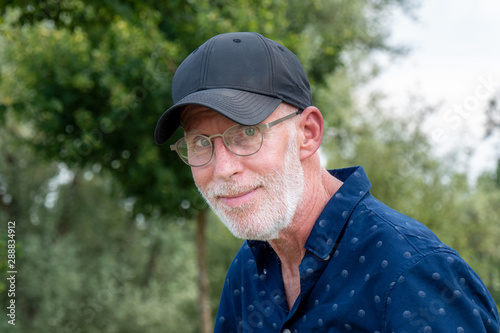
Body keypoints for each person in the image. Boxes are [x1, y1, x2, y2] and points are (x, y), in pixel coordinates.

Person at [154, 32, 499, 332]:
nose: (223, 168)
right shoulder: (248, 272)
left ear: (308, 133)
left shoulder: (411, 272)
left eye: (246, 134)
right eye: (200, 143)